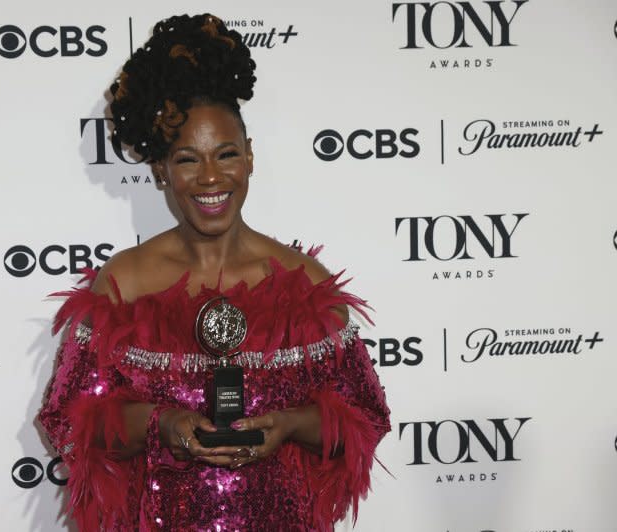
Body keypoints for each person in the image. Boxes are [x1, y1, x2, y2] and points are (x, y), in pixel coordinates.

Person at [38, 13, 390, 531]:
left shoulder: (306, 285)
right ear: (160, 170)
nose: (209, 177)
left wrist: (289, 424)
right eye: (186, 159)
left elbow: (365, 417)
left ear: (250, 159)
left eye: (226, 154)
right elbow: (68, 421)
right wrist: (166, 425)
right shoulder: (124, 283)